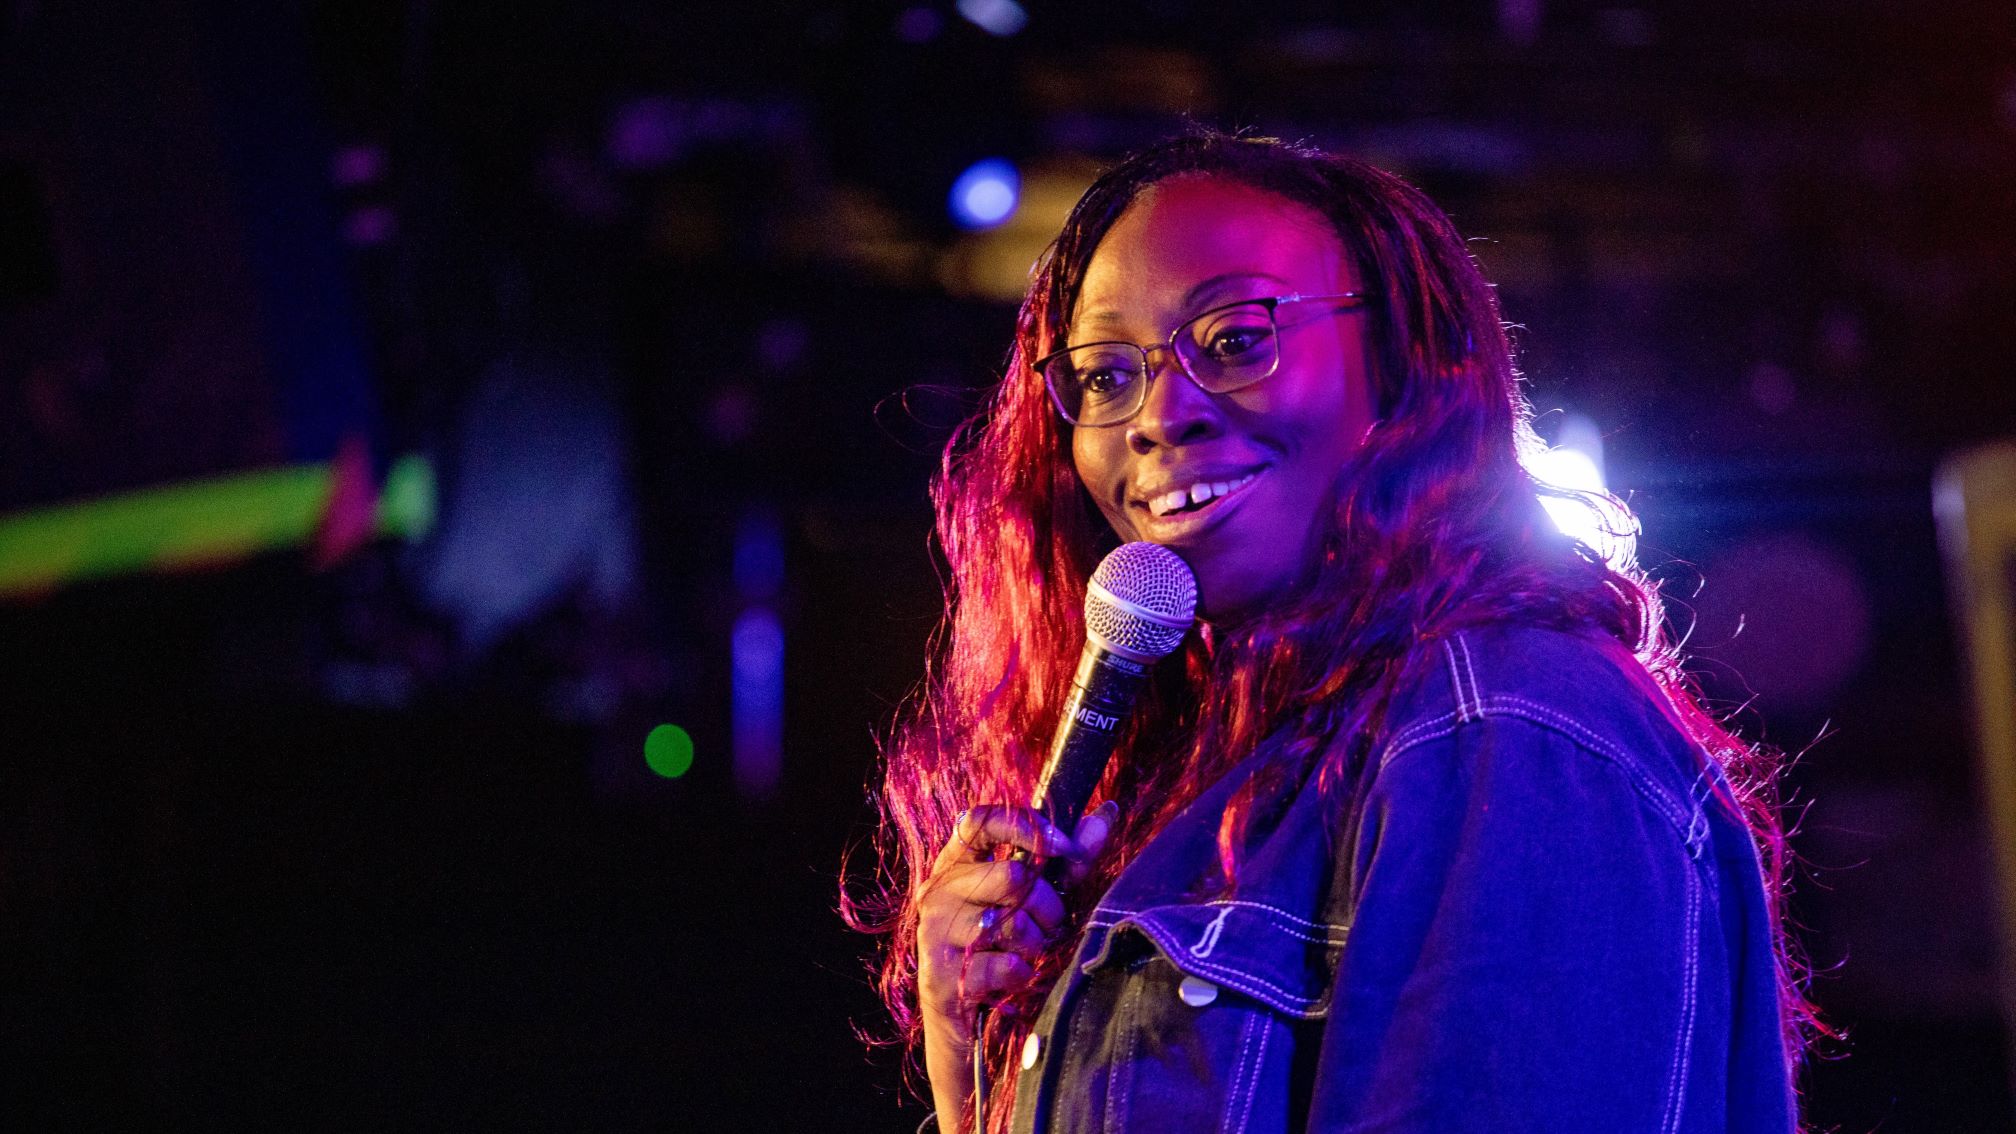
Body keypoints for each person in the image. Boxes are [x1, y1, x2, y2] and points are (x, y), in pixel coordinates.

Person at [844, 131, 1815, 1133]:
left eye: (1234, 340)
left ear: (1400, 365)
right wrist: (965, 1059)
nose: (1157, 417)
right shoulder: (1221, 777)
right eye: (1102, 376)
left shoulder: (1501, 722)